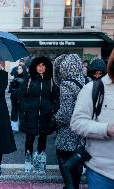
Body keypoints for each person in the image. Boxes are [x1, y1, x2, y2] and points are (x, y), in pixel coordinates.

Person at [70, 49, 114, 189]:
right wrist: (106, 129)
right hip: (102, 173)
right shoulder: (93, 88)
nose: (96, 75)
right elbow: (76, 123)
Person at [19, 56, 59, 174]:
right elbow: (21, 95)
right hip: (30, 114)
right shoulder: (29, 79)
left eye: (43, 66)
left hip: (45, 115)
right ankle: (28, 160)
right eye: (39, 65)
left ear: (46, 67)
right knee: (29, 139)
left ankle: (40, 161)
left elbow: (56, 97)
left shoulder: (51, 80)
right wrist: (25, 107)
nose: (41, 68)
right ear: (35, 67)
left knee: (43, 139)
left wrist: (52, 108)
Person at [53, 54, 86, 189]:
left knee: (65, 164)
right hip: (81, 131)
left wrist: (55, 120)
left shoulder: (66, 84)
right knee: (76, 165)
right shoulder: (84, 81)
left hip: (68, 133)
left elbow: (65, 114)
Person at [8, 63, 28, 133]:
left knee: (22, 112)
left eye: (20, 69)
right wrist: (12, 89)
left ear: (24, 69)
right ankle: (14, 127)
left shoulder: (27, 78)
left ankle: (22, 126)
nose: (18, 70)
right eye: (18, 69)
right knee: (14, 112)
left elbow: (26, 89)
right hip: (14, 98)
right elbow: (10, 88)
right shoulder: (15, 77)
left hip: (22, 98)